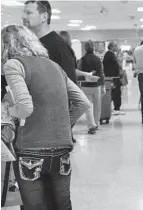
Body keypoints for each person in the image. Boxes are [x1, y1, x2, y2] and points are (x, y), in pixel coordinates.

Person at [1, 24, 90, 210]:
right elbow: (82, 103)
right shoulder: (54, 66)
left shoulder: (14, 64)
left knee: (35, 206)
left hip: (30, 150)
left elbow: (25, 108)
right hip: (62, 149)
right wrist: (61, 124)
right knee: (62, 205)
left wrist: (7, 111)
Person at [22, 0, 97, 143]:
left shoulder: (59, 47)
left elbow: (72, 93)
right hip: (32, 122)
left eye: (29, 12)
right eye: (24, 12)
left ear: (44, 17)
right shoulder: (30, 44)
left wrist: (60, 127)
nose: (24, 16)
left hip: (49, 129)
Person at [78, 40, 106, 134]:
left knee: (88, 106)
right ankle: (97, 123)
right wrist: (103, 86)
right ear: (93, 48)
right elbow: (101, 73)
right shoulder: (98, 59)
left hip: (85, 86)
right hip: (96, 85)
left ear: (85, 48)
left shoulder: (82, 59)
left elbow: (79, 73)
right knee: (97, 106)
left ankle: (91, 125)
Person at [103, 41, 124, 115]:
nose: (117, 47)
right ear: (111, 47)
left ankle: (116, 108)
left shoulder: (112, 55)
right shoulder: (109, 55)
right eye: (115, 46)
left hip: (114, 77)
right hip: (112, 78)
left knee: (115, 93)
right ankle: (115, 108)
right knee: (114, 93)